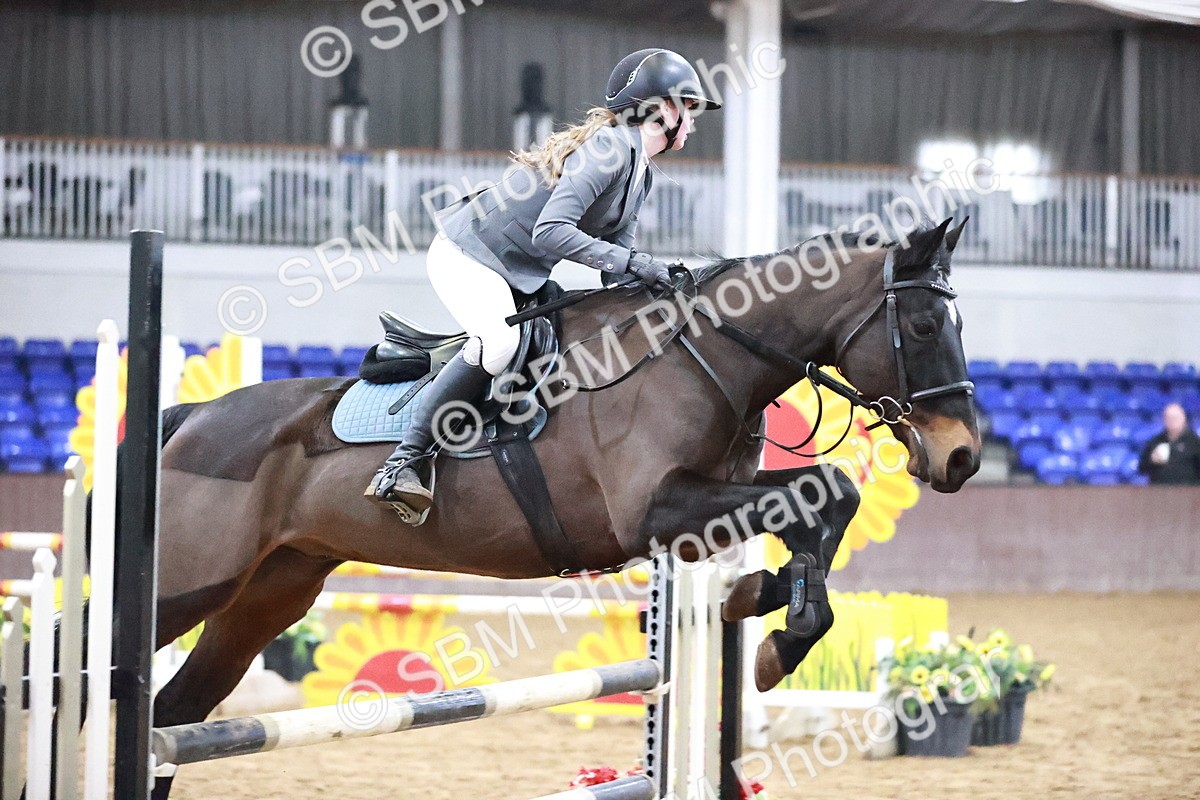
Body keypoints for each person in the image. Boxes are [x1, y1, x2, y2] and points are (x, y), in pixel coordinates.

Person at [365, 48, 721, 520]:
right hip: (468, 255)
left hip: (518, 272)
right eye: (689, 108)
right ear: (661, 108)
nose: (693, 123)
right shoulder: (609, 149)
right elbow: (550, 231)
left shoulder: (640, 171)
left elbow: (615, 269)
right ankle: (403, 461)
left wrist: (663, 291)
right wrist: (639, 263)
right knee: (499, 344)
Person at [1137, 402, 1200, 485]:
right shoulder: (1155, 442)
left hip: (1187, 492)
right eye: (1168, 418)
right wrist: (1152, 460)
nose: (1172, 421)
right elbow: (1142, 468)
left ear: (1184, 419)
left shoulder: (1194, 442)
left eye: (1175, 418)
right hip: (1159, 492)